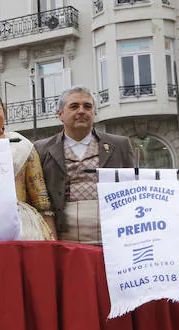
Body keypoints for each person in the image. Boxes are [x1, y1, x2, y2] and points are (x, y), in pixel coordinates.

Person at [34, 86, 136, 245]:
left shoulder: (120, 145)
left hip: (113, 240)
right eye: (74, 106)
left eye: (87, 106)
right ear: (60, 114)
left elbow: (134, 190)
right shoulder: (41, 149)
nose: (81, 111)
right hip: (64, 242)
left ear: (94, 113)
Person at [0, 91, 55, 240]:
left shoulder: (22, 145)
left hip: (20, 225)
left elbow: (41, 198)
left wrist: (52, 237)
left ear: (4, 113)